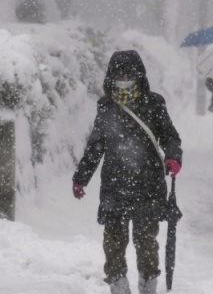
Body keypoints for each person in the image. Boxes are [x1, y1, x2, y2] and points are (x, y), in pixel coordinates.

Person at [72, 50, 183, 294]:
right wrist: (81, 178)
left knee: (146, 242)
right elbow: (96, 146)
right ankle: (118, 287)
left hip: (148, 185)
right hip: (114, 185)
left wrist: (174, 157)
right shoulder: (106, 106)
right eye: (120, 72)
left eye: (129, 72)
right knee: (113, 243)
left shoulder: (154, 103)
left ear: (139, 74)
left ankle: (148, 286)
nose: (125, 77)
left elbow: (169, 136)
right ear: (111, 75)